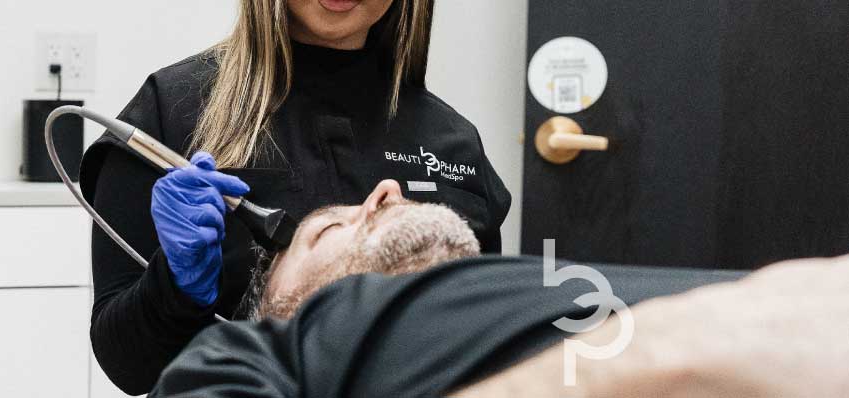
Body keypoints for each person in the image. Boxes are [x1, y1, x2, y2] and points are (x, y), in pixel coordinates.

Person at [78, 0, 512, 394]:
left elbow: (484, 338)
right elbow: (126, 366)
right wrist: (174, 286)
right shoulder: (173, 113)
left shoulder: (451, 142)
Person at [151, 181, 849, 397]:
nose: (382, 194)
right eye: (326, 232)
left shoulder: (538, 277)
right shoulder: (302, 345)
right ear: (282, 304)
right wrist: (669, 353)